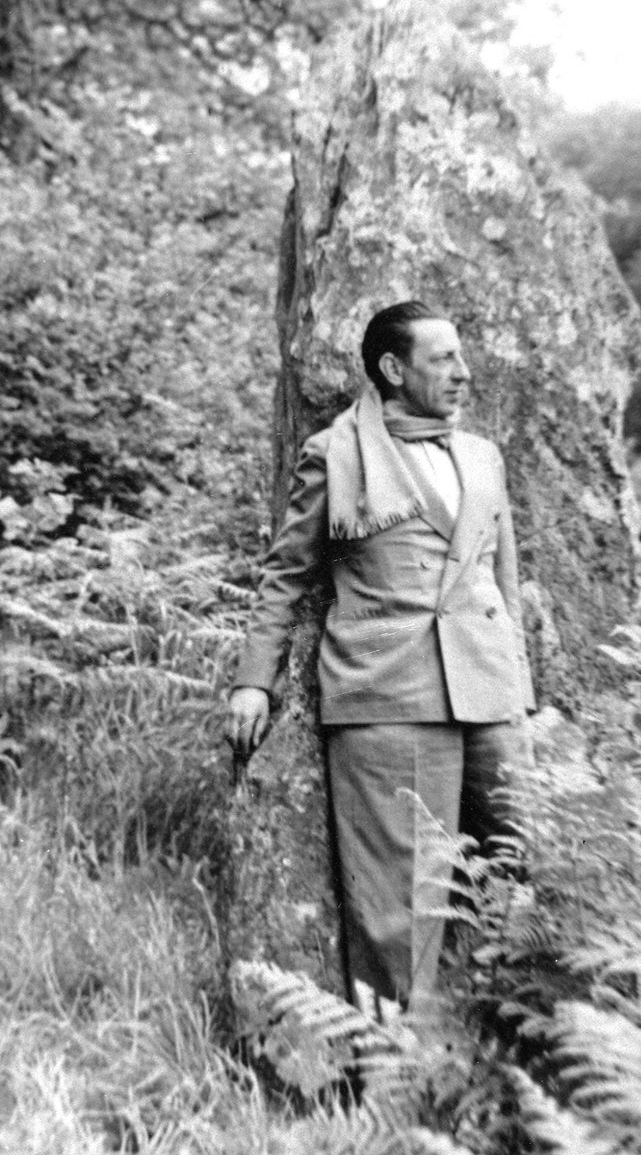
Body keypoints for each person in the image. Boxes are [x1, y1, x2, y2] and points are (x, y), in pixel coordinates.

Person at [227, 300, 535, 1017]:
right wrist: (254, 681)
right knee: (400, 907)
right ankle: (396, 1075)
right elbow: (287, 577)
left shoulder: (483, 456)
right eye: (443, 360)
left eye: (462, 356)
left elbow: (504, 582)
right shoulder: (334, 454)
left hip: (490, 692)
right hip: (389, 693)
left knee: (519, 871)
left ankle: (501, 1054)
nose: (463, 373)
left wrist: (522, 689)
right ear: (394, 370)